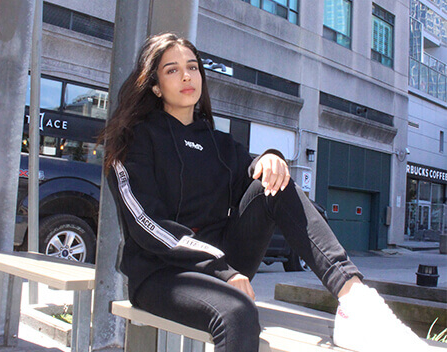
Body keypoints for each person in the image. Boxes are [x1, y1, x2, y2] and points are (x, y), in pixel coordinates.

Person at [101, 33, 428, 352]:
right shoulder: (136, 140)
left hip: (224, 266)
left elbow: (253, 172)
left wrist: (271, 157)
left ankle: (355, 300)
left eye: (193, 66)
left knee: (273, 181)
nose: (187, 75)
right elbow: (147, 226)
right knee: (236, 314)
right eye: (172, 70)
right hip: (162, 273)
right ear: (155, 85)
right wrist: (222, 270)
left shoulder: (219, 143)